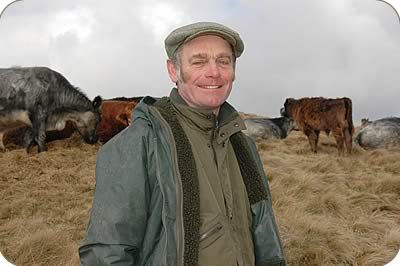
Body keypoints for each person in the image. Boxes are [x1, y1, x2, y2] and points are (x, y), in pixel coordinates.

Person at [79, 21, 286, 266]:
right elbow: (106, 254)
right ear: (173, 71)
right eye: (198, 61)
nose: (214, 72)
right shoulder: (140, 142)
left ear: (233, 71)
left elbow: (264, 234)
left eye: (223, 61)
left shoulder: (242, 145)